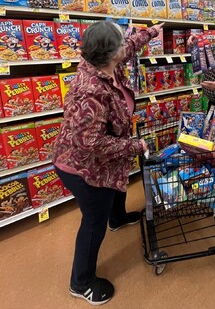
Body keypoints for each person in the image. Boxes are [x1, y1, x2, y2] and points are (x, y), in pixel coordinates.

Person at [52, 20, 164, 305]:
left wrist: (151, 31)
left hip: (103, 161)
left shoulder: (105, 63)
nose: (126, 44)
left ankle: (118, 218)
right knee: (93, 220)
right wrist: (134, 146)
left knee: (114, 187)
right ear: (110, 52)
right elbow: (89, 143)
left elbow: (129, 47)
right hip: (82, 167)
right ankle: (81, 282)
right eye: (121, 41)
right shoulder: (89, 90)